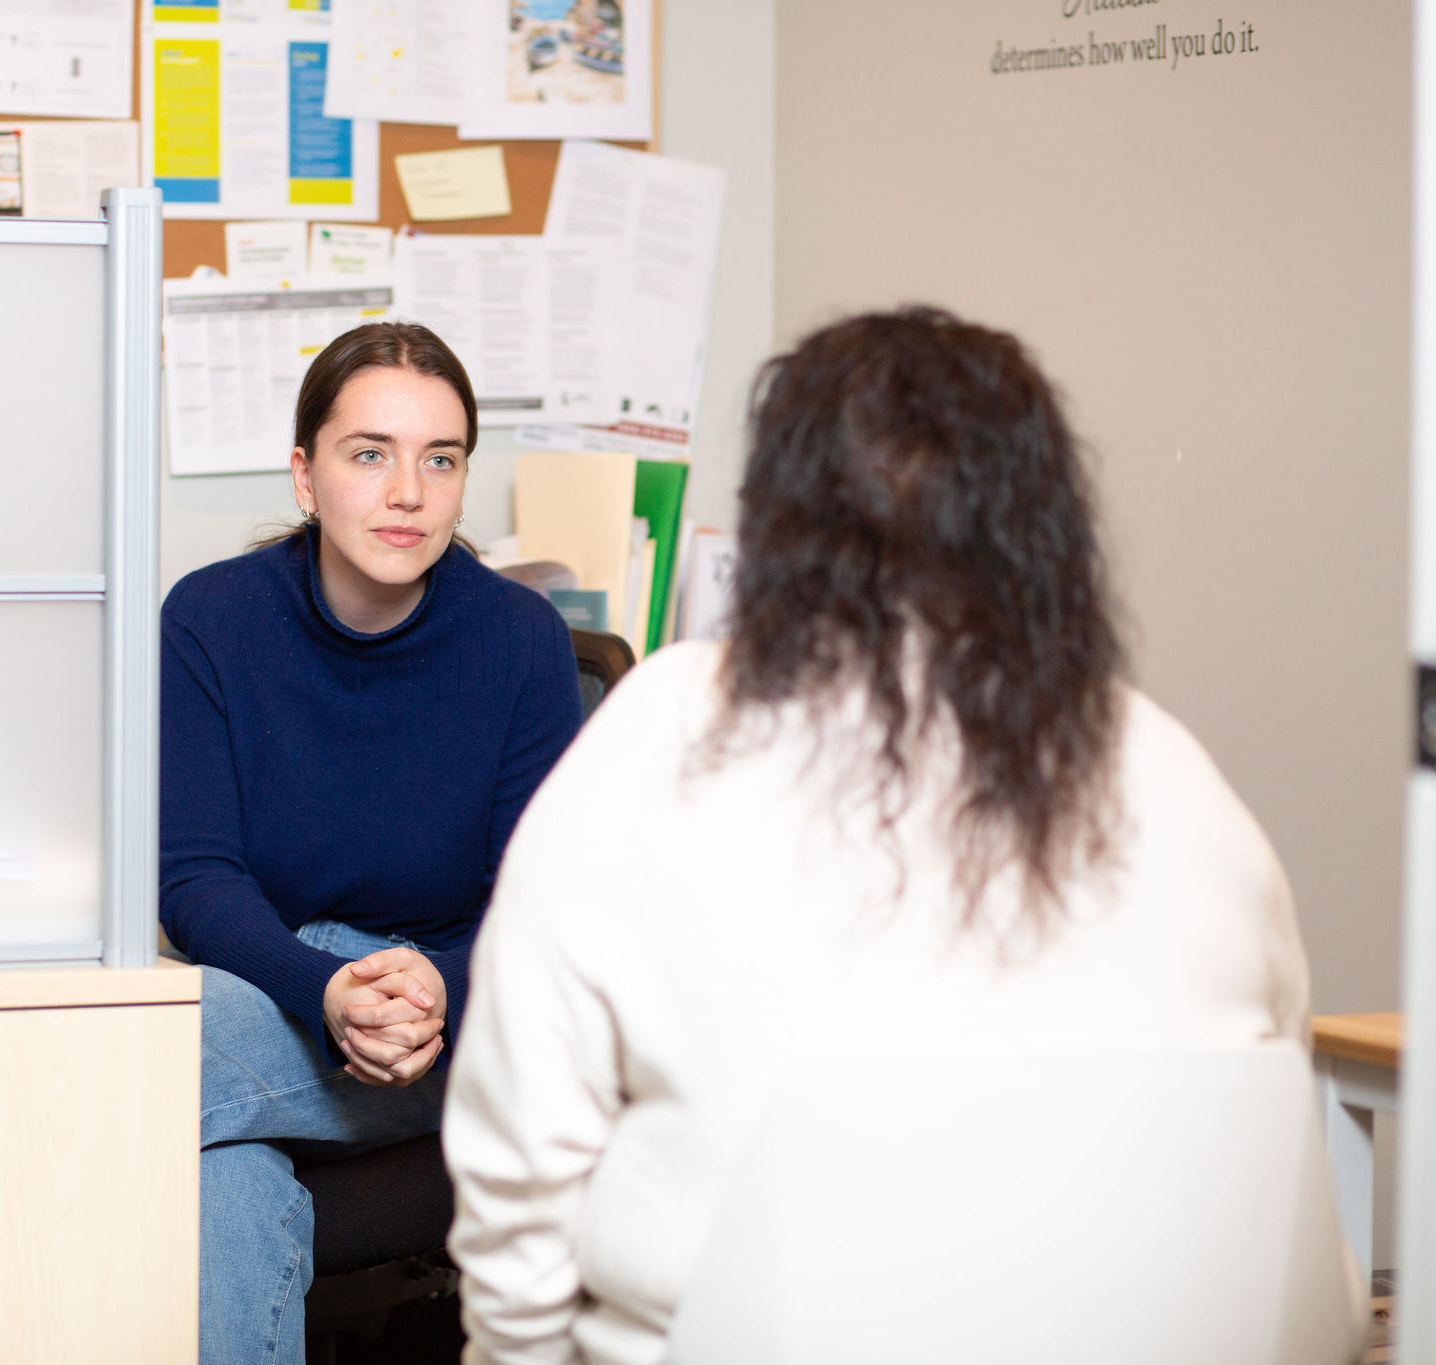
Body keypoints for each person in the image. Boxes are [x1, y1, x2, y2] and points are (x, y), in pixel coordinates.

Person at [442, 307, 1320, 1364]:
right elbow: (1270, 1126)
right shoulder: (1168, 765)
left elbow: (518, 1170)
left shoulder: (660, 732)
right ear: (1041, 527)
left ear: (779, 524)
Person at [160, 320, 584, 1363]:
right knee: (219, 1172)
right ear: (305, 476)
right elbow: (194, 878)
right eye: (369, 455)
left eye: (439, 460)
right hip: (279, 987)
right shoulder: (210, 618)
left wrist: (434, 985)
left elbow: (541, 911)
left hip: (453, 1018)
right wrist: (322, 989)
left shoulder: (520, 641)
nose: (408, 492)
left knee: (123, 1062)